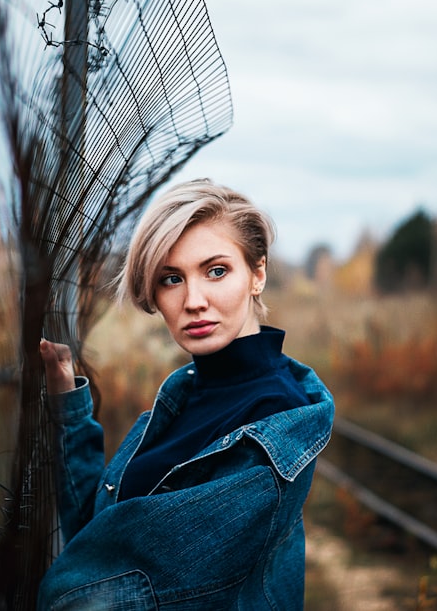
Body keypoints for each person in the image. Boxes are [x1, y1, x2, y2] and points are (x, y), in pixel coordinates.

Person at [37, 178, 335, 610]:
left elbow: (106, 590)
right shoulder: (185, 393)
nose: (193, 300)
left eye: (216, 271)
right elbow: (94, 533)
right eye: (171, 279)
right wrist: (68, 401)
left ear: (257, 274)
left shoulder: (274, 416)